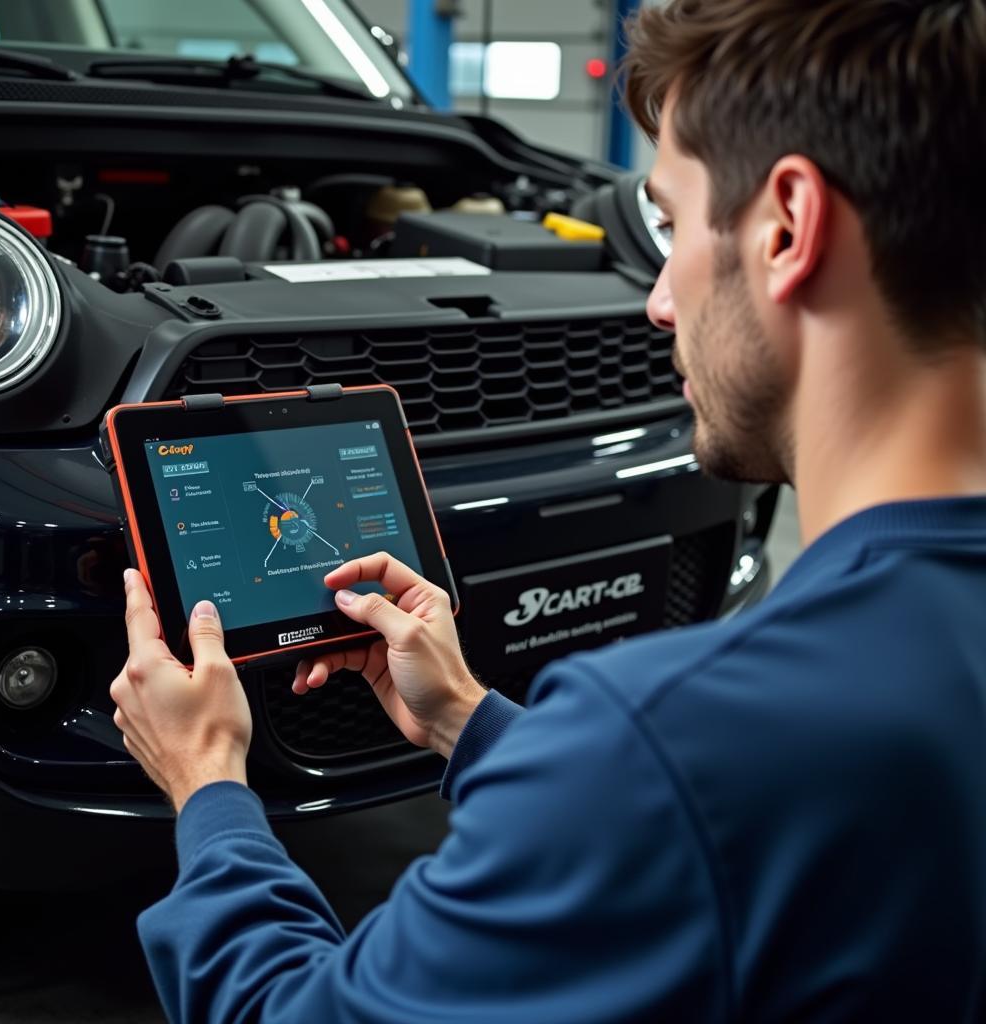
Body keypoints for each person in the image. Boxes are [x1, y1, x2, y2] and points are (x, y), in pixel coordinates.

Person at [111, 0, 986, 1019]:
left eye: (670, 222)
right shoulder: (786, 725)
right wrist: (467, 720)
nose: (658, 300)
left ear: (787, 225)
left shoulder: (660, 739)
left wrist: (210, 782)